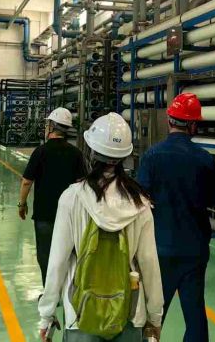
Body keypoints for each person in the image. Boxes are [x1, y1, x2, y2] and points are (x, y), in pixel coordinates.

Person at [38, 112, 163, 341]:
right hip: (128, 312)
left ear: (91, 152)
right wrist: (155, 316)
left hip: (80, 313)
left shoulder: (72, 198)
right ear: (125, 157)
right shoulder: (140, 203)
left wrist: (47, 314)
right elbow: (149, 264)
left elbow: (57, 261)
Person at [137, 93, 215, 342]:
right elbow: (214, 199)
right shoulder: (204, 159)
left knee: (154, 313)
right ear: (193, 125)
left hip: (159, 248)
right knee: (195, 315)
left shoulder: (152, 156)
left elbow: (140, 201)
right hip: (195, 249)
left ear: (169, 120)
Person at [19, 107, 86, 286]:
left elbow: (26, 182)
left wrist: (22, 204)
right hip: (70, 216)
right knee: (69, 255)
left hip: (45, 215)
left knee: (45, 255)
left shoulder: (40, 152)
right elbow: (82, 184)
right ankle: (68, 292)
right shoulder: (76, 153)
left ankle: (50, 292)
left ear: (52, 126)